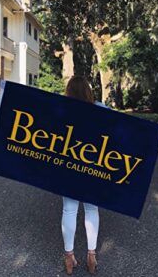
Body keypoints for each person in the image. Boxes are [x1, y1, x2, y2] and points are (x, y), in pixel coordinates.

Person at [61, 76, 109, 275]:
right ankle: (92, 255)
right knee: (91, 209)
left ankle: (69, 256)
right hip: (93, 166)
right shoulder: (101, 109)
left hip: (69, 165)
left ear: (69, 92)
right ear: (88, 91)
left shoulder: (62, 109)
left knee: (69, 210)